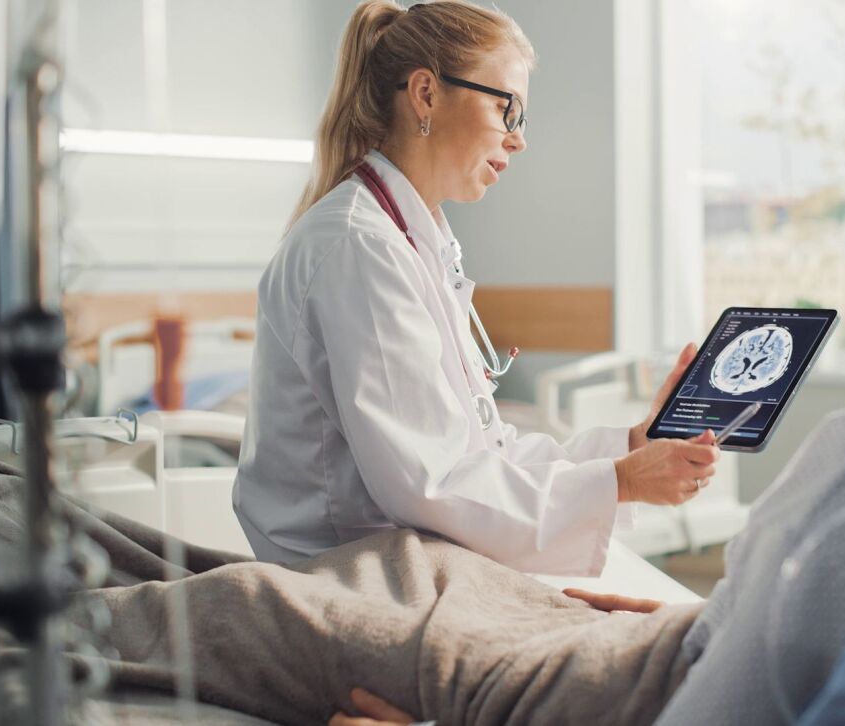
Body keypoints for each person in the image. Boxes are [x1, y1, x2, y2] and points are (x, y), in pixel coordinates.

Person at [327, 57, 845, 726]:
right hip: (675, 639)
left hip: (650, 679)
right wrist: (699, 621)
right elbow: (804, 635)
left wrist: (700, 618)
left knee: (268, 609)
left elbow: (738, 692)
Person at [233, 0, 720, 576]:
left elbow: (485, 454)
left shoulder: (407, 240)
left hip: (405, 561)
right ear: (427, 94)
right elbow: (429, 483)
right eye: (505, 107)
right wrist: (620, 482)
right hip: (349, 579)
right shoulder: (358, 247)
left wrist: (630, 449)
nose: (517, 140)